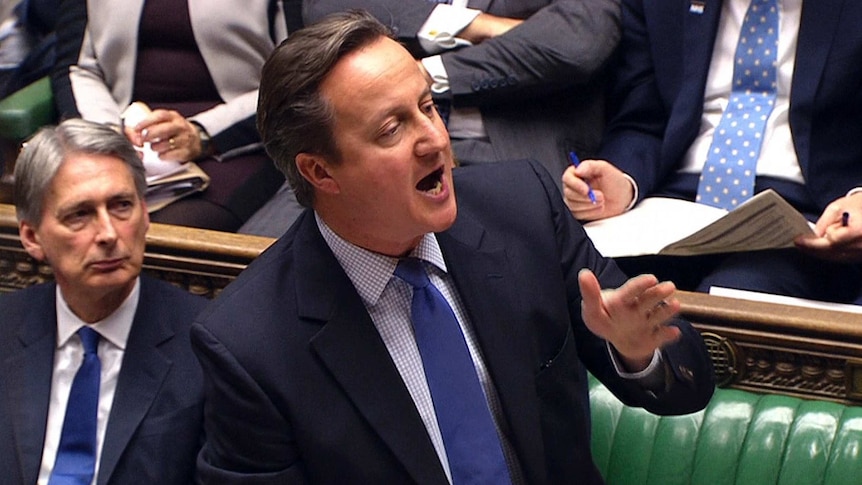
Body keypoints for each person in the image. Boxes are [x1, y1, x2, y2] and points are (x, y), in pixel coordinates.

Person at [190, 11, 714, 483]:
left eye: (427, 107)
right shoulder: (249, 345)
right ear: (319, 170)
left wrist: (636, 350)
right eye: (392, 128)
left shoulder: (523, 210)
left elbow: (688, 385)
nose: (435, 140)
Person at [561, 0, 862, 303]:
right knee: (567, 277)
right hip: (672, 206)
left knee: (731, 294)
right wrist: (623, 181)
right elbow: (643, 117)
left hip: (807, 214)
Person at [0, 118, 207, 484]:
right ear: (32, 238)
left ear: (145, 214)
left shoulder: (208, 346)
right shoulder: (6, 329)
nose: (108, 234)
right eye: (80, 214)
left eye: (121, 206)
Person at [50, 0, 301, 233]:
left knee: (156, 229)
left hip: (239, 139)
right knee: (71, 215)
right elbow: (77, 68)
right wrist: (107, 134)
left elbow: (297, 79)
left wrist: (202, 134)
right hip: (123, 133)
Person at [304, 0, 620, 181]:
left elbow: (577, 41)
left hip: (507, 152)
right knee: (265, 257)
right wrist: (474, 25)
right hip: (369, 153)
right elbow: (326, 10)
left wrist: (425, 75)